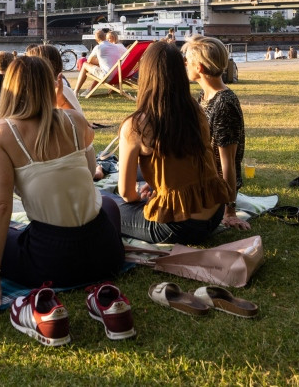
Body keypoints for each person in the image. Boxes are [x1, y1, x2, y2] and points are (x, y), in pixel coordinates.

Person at [0, 56, 123, 306]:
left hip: (50, 261)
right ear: (50, 86)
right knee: (108, 204)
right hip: (106, 254)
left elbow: (1, 206)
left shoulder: (1, 133)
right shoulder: (76, 120)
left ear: (10, 88)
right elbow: (91, 171)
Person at [111, 42, 233, 244]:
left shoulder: (136, 125)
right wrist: (161, 191)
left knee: (107, 206)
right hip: (214, 212)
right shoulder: (196, 110)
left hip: (177, 226)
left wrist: (142, 200)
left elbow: (126, 193)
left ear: (146, 74)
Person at [182, 36, 248, 230]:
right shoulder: (204, 96)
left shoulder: (224, 103)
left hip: (214, 188)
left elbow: (228, 163)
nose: (185, 64)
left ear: (199, 68)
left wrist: (230, 211)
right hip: (201, 176)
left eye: (188, 61)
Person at [73, 28, 127, 93]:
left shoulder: (98, 47)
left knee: (85, 65)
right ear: (105, 37)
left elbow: (89, 61)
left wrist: (98, 62)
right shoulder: (115, 46)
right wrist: (101, 62)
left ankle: (76, 91)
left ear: (96, 40)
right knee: (100, 66)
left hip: (107, 77)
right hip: (117, 76)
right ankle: (88, 90)